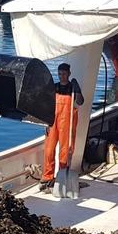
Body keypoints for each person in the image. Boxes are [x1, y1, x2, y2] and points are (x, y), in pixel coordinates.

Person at [41, 62, 84, 191]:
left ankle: (61, 176)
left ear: (69, 74)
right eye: (59, 74)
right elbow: (47, 106)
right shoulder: (54, 88)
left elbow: (80, 102)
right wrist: (46, 123)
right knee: (49, 150)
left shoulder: (73, 88)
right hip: (53, 121)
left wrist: (77, 89)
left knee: (65, 151)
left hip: (67, 121)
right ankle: (47, 176)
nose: (62, 76)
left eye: (64, 74)